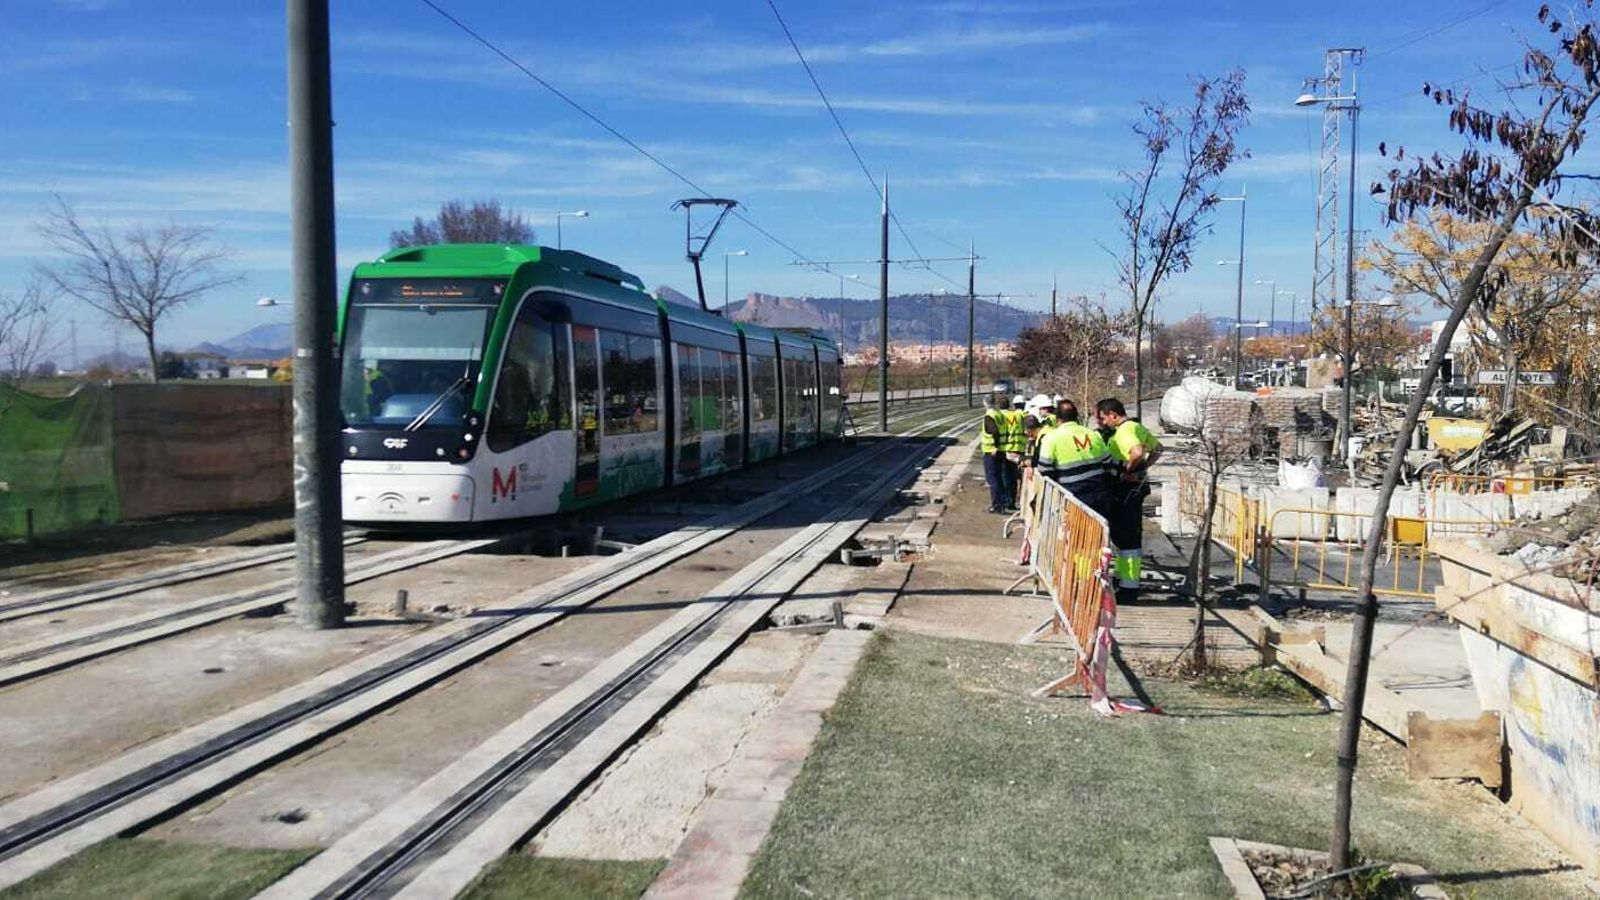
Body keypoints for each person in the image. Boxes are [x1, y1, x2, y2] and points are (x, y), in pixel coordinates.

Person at [1095, 397, 1164, 597]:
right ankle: (1125, 580)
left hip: (1124, 490)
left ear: (1113, 415)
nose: (1103, 422)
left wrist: (1128, 470)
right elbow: (1158, 448)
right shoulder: (1136, 427)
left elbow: (1137, 451)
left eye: (1104, 418)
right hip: (1135, 489)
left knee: (1126, 539)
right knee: (1127, 538)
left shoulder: (1125, 431)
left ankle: (1128, 587)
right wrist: (1143, 468)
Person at [1036, 401, 1114, 517]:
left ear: (1058, 419)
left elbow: (1045, 471)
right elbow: (1108, 462)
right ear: (1076, 417)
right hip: (1098, 494)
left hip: (1072, 499)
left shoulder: (1051, 439)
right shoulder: (1094, 434)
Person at [980, 393, 1012, 514]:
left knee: (992, 479)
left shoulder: (989, 416)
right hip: (1001, 450)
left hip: (991, 451)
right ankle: (1002, 503)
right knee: (999, 478)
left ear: (985, 403)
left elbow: (994, 432)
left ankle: (996, 505)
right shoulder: (999, 414)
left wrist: (995, 446)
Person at [999, 395, 1028, 510]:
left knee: (1005, 477)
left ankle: (1006, 501)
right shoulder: (1020, 415)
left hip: (1006, 449)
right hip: (1020, 449)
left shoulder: (1002, 416)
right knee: (1014, 478)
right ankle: (1013, 501)